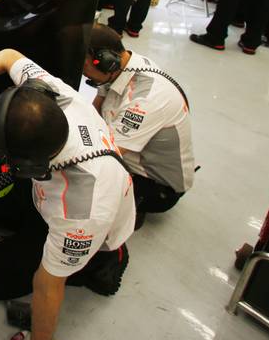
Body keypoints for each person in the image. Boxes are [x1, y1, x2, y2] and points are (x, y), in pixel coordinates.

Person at [0, 49, 134, 340]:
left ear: (29, 166)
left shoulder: (81, 210)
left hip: (86, 235)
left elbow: (48, 286)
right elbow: (8, 57)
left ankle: (89, 268)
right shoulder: (57, 97)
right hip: (49, 197)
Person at [83, 25, 193, 229]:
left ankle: (130, 212)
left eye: (85, 66)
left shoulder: (144, 101)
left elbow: (105, 155)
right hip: (133, 154)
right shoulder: (122, 66)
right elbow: (94, 111)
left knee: (80, 181)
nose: (84, 74)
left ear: (103, 60)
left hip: (157, 187)